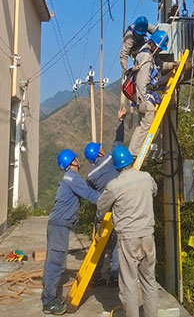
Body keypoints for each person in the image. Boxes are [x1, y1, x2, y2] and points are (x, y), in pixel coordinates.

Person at [97, 145, 158, 317]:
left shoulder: (114, 185)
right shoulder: (146, 177)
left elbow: (101, 206)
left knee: (129, 284)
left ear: (116, 166)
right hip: (147, 236)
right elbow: (154, 191)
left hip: (128, 240)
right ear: (130, 161)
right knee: (149, 281)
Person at [42, 149, 99, 315]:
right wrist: (109, 197)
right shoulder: (72, 178)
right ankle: (49, 302)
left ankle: (49, 296)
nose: (78, 160)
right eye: (76, 158)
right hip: (60, 226)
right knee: (56, 263)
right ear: (72, 162)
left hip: (57, 225)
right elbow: (90, 195)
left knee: (52, 260)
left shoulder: (68, 178)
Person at [84, 108, 127, 284]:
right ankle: (115, 275)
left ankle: (96, 275)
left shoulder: (90, 174)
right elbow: (119, 140)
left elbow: (89, 192)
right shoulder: (110, 159)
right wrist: (120, 121)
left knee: (101, 242)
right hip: (117, 206)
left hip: (103, 208)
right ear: (100, 152)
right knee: (117, 240)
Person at [128, 28, 176, 158]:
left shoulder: (149, 55)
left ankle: (136, 151)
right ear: (154, 44)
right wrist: (142, 101)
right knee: (147, 122)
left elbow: (160, 65)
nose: (160, 51)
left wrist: (172, 65)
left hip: (145, 94)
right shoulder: (146, 57)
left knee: (145, 123)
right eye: (160, 48)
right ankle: (133, 152)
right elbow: (141, 81)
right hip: (144, 95)